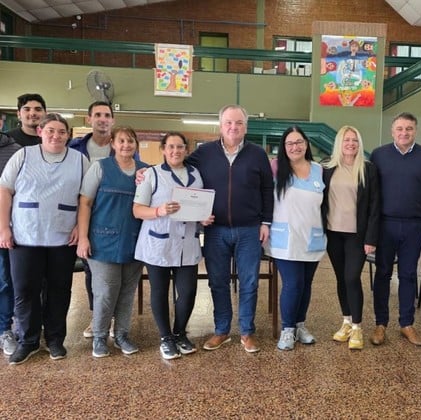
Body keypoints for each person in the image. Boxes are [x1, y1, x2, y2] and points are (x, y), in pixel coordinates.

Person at [0, 113, 89, 365]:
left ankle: (55, 339)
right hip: (25, 235)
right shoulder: (23, 156)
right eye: (50, 130)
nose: (56, 136)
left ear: (68, 135)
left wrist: (80, 228)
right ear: (40, 132)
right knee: (25, 290)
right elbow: (4, 190)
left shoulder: (79, 160)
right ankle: (28, 341)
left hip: (63, 236)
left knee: (59, 290)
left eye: (61, 131)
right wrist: (3, 228)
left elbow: (86, 198)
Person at [187, 105, 274, 354]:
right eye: (228, 122)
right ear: (220, 125)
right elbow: (177, 167)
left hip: (249, 229)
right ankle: (222, 330)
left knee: (249, 282)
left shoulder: (258, 154)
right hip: (216, 230)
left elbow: (267, 189)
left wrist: (266, 222)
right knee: (218, 282)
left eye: (238, 123)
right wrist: (145, 171)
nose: (233, 127)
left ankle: (246, 331)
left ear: (246, 126)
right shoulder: (204, 153)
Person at [133, 132, 213, 360]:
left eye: (180, 147)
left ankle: (179, 333)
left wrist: (203, 218)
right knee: (160, 291)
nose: (175, 151)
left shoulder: (196, 174)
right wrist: (159, 211)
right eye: (171, 147)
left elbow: (198, 207)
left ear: (186, 150)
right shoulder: (151, 174)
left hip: (187, 243)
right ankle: (165, 337)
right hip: (158, 243)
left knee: (188, 292)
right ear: (163, 149)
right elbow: (137, 210)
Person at [370, 112, 421, 346]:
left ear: (416, 131)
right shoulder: (378, 155)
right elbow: (370, 194)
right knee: (382, 274)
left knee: (408, 275)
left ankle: (406, 324)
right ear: (392, 131)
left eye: (409, 128)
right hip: (384, 225)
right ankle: (380, 324)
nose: (404, 133)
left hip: (414, 226)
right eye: (400, 128)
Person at [77, 126, 148, 358]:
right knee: (106, 291)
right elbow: (85, 203)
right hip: (102, 241)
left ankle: (121, 335)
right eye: (121, 141)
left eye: (130, 141)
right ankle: (99, 336)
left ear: (136, 144)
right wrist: (83, 237)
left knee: (127, 291)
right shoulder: (100, 168)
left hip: (134, 241)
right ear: (113, 144)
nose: (126, 145)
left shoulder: (145, 171)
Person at [267, 126, 326, 351]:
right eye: (290, 143)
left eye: (299, 142)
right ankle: (287, 329)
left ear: (306, 144)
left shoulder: (319, 170)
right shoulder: (275, 167)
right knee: (293, 284)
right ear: (284, 147)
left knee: (306, 284)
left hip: (312, 237)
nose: (295, 147)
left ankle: (300, 325)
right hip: (286, 238)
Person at [322, 126, 379, 350]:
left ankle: (357, 326)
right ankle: (346, 321)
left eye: (355, 140)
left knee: (352, 278)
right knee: (340, 278)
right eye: (346, 140)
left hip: (357, 235)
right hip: (333, 233)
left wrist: (371, 238)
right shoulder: (328, 168)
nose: (351, 144)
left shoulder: (368, 169)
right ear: (339, 143)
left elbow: (374, 206)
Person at [69, 101, 117, 339]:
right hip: (83, 214)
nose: (102, 119)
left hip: (113, 217)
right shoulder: (75, 147)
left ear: (112, 120)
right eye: (97, 115)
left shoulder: (121, 146)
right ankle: (97, 316)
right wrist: (78, 225)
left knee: (114, 271)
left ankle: (113, 317)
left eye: (106, 115)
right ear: (89, 119)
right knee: (91, 270)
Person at [0, 132, 21, 356]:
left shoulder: (16, 152)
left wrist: (5, 226)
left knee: (6, 281)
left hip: (7, 227)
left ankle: (5, 329)